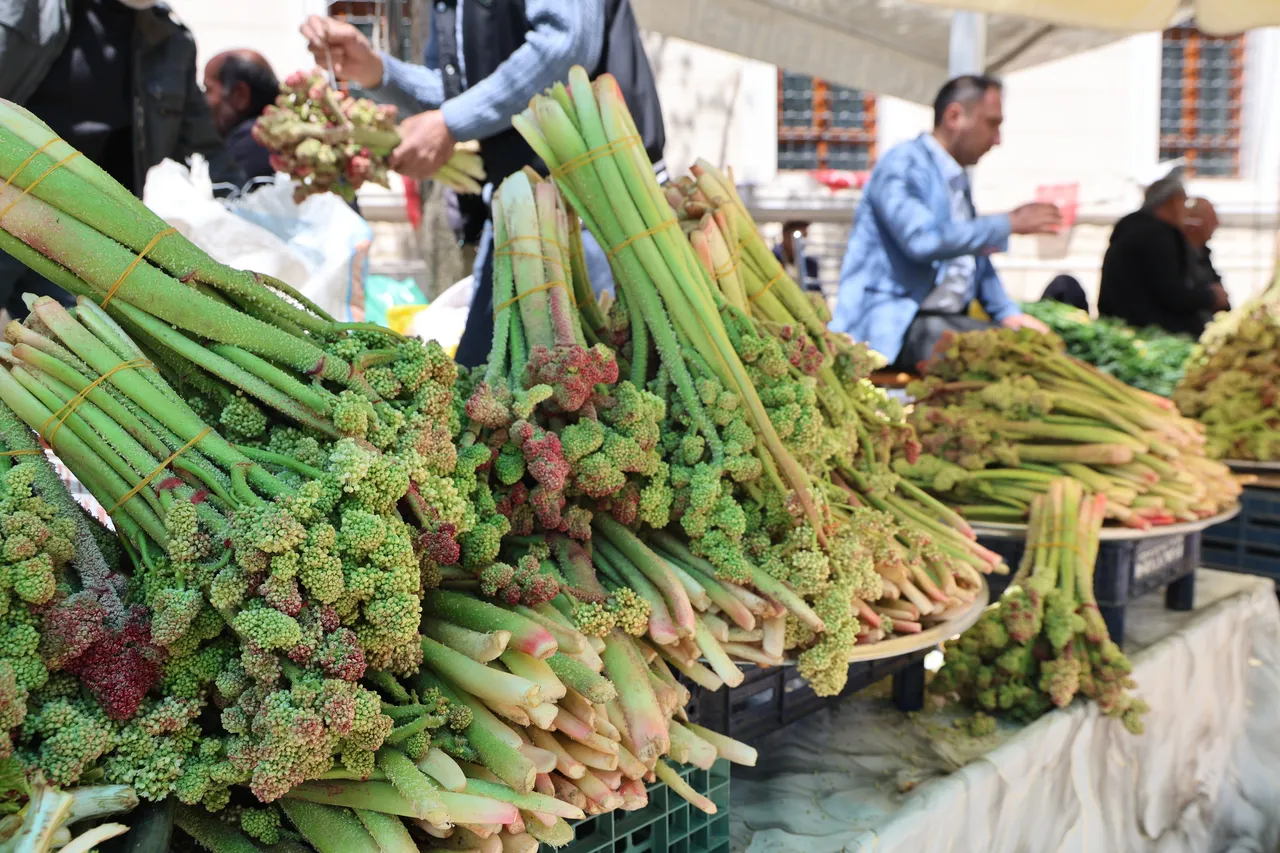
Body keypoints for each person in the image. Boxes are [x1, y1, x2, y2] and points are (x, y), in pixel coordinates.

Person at [301, 0, 666, 367]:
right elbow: (456, 92)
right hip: (516, 215)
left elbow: (565, 47)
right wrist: (377, 70)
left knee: (603, 381)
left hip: (599, 215)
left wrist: (449, 123)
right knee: (483, 387)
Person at [0, 0, 242, 318]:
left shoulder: (172, 41)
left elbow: (205, 145)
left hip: (87, 237)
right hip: (9, 196)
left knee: (58, 342)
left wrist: (245, 211)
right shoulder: (27, 10)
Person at [831, 75, 1060, 370]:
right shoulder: (902, 165)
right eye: (992, 123)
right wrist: (1008, 223)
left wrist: (1007, 312)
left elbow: (973, 256)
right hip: (896, 327)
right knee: (1010, 357)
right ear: (954, 116)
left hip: (942, 323)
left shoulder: (956, 178)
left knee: (1037, 351)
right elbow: (922, 240)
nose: (998, 139)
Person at [1097, 171, 1228, 337]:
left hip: (1123, 324)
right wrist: (1211, 297)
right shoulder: (1157, 235)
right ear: (1173, 202)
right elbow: (1172, 293)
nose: (1186, 211)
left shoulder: (1135, 228)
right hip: (1145, 331)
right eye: (1184, 203)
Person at [203, 49, 280, 183]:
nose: (202, 100)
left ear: (240, 95)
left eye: (208, 89)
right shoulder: (277, 134)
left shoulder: (250, 142)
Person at [1183, 196, 1229, 324]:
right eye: (1211, 218)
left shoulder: (1203, 253)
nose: (1217, 223)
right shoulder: (1179, 255)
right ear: (1194, 222)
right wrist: (1212, 296)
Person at [774, 221, 821, 293]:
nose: (802, 242)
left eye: (805, 237)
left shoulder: (811, 264)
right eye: (798, 236)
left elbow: (817, 291)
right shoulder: (773, 259)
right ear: (785, 235)